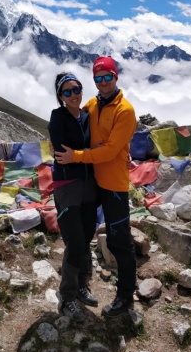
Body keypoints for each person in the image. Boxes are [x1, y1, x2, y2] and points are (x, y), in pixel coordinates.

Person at [54, 56, 138, 319]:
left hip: (113, 184)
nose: (102, 83)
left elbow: (112, 149)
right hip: (92, 183)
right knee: (81, 237)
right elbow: (92, 139)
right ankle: (78, 287)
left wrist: (81, 155)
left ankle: (125, 296)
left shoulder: (125, 110)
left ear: (116, 77)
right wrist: (99, 152)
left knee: (119, 240)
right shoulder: (92, 105)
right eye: (98, 78)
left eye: (107, 77)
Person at [48, 72, 99, 323]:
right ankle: (67, 296)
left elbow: (83, 151)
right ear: (60, 96)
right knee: (76, 242)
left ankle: (82, 285)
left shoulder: (89, 117)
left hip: (90, 186)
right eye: (67, 92)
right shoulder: (58, 118)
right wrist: (88, 154)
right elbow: (61, 152)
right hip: (67, 185)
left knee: (87, 237)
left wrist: (81, 155)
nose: (74, 95)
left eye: (76, 89)